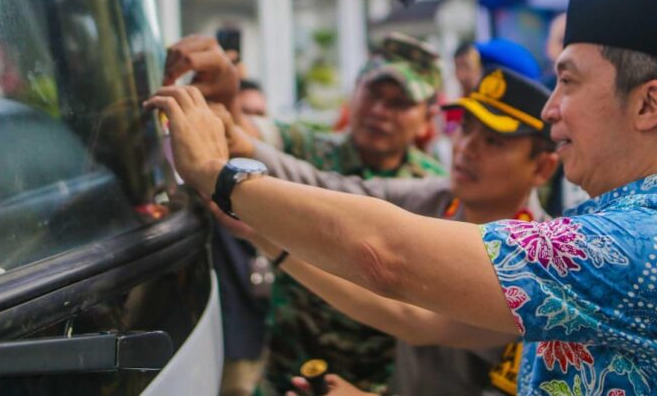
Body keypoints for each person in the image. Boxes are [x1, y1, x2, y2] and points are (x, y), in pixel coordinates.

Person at [147, 0, 657, 394]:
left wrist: (219, 175)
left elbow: (390, 258)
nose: (550, 110)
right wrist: (263, 228)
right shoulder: (642, 227)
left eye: (568, 83)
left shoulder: (655, 242)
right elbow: (420, 318)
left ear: (648, 104)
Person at [219, 66, 558, 395]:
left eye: (493, 141)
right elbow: (334, 192)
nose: (467, 147)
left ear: (542, 168)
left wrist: (267, 238)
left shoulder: (538, 263)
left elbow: (414, 321)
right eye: (465, 128)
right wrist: (245, 147)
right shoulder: (437, 198)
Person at [165, 32, 447, 393]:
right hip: (283, 369)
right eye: (373, 93)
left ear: (427, 118)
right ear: (355, 91)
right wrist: (225, 93)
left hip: (369, 385)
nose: (380, 110)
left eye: (400, 103)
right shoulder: (310, 149)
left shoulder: (435, 192)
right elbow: (237, 135)